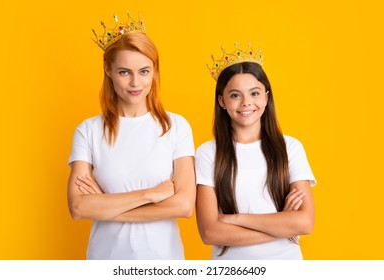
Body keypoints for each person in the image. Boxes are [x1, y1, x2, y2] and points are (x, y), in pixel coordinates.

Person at [67, 13, 196, 260]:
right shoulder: (89, 131)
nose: (136, 82)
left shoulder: (176, 127)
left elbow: (184, 205)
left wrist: (105, 205)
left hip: (163, 262)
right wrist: (149, 195)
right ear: (108, 70)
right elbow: (78, 207)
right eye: (124, 72)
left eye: (144, 71)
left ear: (155, 71)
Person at [195, 43, 316, 259]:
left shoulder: (290, 148)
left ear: (267, 97)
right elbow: (210, 232)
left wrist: (236, 219)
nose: (246, 103)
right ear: (222, 101)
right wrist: (282, 223)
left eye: (254, 93)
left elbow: (305, 223)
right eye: (235, 95)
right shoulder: (207, 153)